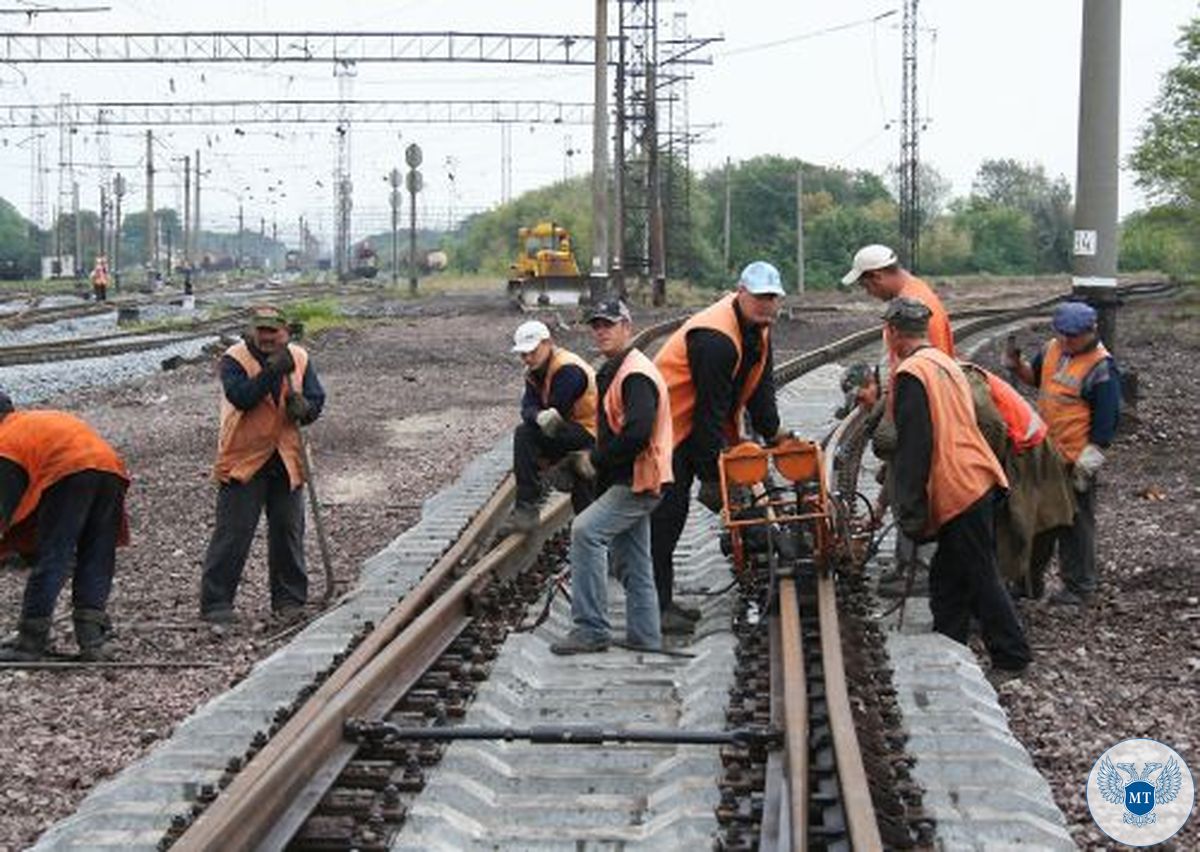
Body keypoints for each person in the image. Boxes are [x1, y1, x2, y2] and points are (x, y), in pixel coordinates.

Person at [887, 297, 1031, 675]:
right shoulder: (945, 363)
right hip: (978, 474)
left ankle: (1012, 656)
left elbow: (915, 446)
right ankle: (948, 641)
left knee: (980, 572)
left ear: (893, 333)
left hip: (958, 486)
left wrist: (912, 509)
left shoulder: (911, 374)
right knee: (948, 575)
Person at [651, 260, 787, 634]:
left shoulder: (758, 329)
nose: (765, 304)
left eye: (772, 297)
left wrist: (773, 432)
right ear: (740, 293)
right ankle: (654, 608)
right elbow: (709, 412)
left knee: (674, 515)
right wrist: (713, 475)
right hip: (666, 431)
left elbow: (760, 385)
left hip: (693, 426)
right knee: (666, 517)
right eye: (759, 297)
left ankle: (659, 603)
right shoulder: (716, 339)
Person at [550, 300, 672, 655]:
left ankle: (590, 629)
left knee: (585, 531)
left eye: (609, 324)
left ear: (627, 327)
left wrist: (595, 459)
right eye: (596, 325)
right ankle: (646, 637)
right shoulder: (620, 369)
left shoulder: (634, 374)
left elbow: (637, 433)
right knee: (634, 559)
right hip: (633, 477)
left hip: (639, 479)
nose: (601, 331)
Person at [199, 305, 326, 624]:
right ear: (252, 330)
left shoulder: (300, 357)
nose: (267, 337)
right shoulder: (234, 359)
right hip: (244, 457)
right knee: (233, 533)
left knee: (287, 530)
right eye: (261, 330)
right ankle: (216, 604)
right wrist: (271, 370)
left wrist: (306, 409)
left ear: (284, 331)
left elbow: (316, 397)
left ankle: (289, 600)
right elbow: (241, 396)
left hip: (286, 456)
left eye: (273, 331)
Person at [1005, 301, 1120, 605]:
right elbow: (1036, 378)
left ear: (1091, 331)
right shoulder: (1052, 348)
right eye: (1063, 335)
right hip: (1043, 453)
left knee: (1075, 525)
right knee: (1036, 522)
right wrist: (1018, 367)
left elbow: (1107, 421)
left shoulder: (1101, 366)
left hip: (1074, 460)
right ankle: (1028, 583)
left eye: (1073, 337)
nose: (1067, 342)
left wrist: (1091, 458)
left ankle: (1079, 587)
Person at [0, 396, 131, 661]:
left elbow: (5, 505)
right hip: (110, 468)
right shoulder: (32, 421)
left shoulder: (5, 441)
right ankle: (92, 640)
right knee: (97, 554)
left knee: (55, 555)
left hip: (70, 470)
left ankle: (30, 640)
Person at [957, 362, 1075, 596]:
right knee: (1040, 518)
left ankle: (1005, 591)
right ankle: (1023, 586)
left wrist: (987, 466)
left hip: (1026, 448)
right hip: (1029, 443)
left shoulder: (965, 378)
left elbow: (992, 425)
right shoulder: (954, 373)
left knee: (1020, 520)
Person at [505, 319, 597, 532]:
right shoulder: (534, 372)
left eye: (532, 352)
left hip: (590, 433)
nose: (527, 358)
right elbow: (527, 409)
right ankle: (567, 465)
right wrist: (538, 416)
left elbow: (557, 411)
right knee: (527, 432)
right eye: (523, 354)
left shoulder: (569, 369)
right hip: (568, 430)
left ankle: (527, 508)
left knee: (525, 435)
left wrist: (537, 416)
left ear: (548, 343)